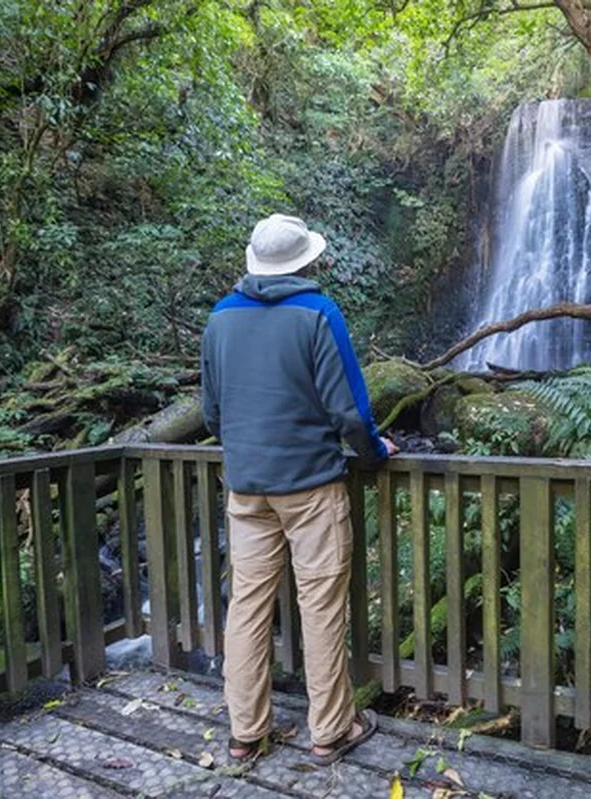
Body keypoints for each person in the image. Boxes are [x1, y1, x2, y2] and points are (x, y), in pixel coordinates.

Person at [200, 213, 398, 765]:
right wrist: (376, 454)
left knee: (247, 607)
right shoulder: (318, 314)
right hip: (311, 487)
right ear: (305, 261)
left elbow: (213, 414)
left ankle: (245, 734)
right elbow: (350, 414)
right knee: (320, 607)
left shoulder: (220, 318)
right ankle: (330, 731)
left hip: (247, 488)